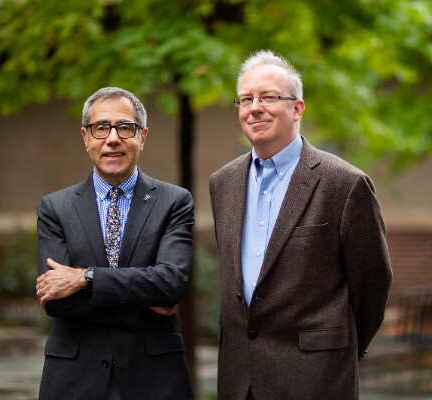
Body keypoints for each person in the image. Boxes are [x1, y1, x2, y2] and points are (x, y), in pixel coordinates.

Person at [209, 50, 392, 400]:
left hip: (315, 380)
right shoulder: (223, 183)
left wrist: (336, 350)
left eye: (269, 97)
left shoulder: (344, 184)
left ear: (297, 108)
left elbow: (373, 285)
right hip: (238, 380)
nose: (255, 107)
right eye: (246, 99)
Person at [35, 87, 194, 400]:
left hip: (154, 378)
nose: (112, 138)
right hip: (74, 379)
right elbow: (56, 299)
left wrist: (85, 278)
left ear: (142, 137)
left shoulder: (174, 202)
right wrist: (144, 301)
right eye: (101, 128)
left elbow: (171, 284)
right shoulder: (55, 208)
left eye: (125, 127)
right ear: (86, 137)